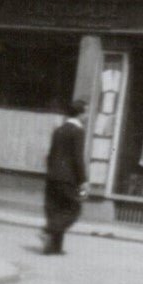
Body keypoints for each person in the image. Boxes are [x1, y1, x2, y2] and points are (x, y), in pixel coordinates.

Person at [41, 98, 88, 256]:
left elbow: (50, 155)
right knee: (73, 209)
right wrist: (83, 181)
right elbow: (77, 158)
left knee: (55, 210)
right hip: (68, 178)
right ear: (80, 114)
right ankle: (48, 231)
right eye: (86, 112)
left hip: (53, 176)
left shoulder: (59, 130)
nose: (87, 116)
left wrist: (51, 172)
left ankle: (54, 247)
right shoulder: (78, 131)